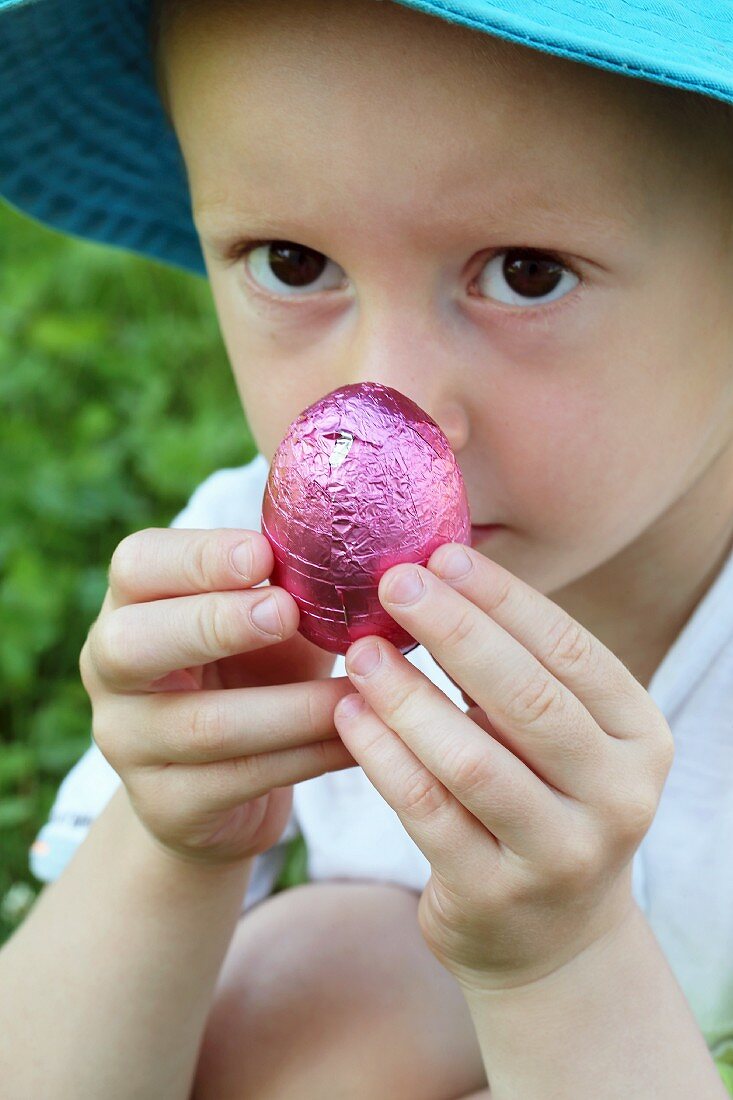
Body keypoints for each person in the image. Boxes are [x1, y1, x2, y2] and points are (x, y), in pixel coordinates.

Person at [0, 0, 732, 1095]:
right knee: (333, 991)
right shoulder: (244, 584)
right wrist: (173, 843)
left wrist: (563, 961)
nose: (387, 399)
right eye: (294, 261)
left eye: (526, 272)